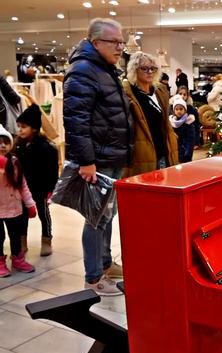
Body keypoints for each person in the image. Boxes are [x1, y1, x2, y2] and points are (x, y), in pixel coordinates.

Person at [64, 17, 132, 296]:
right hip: (98, 160)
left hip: (111, 156)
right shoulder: (83, 70)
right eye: (114, 42)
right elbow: (76, 121)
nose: (120, 48)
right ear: (95, 43)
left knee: (106, 215)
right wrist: (87, 161)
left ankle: (104, 263)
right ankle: (93, 277)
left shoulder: (104, 69)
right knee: (95, 218)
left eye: (122, 42)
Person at [122, 52, 178, 176]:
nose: (149, 72)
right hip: (141, 153)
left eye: (153, 68)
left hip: (163, 150)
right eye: (144, 68)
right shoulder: (128, 94)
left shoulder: (160, 91)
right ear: (135, 70)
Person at [14, 104, 59, 256]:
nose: (20, 130)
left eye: (24, 126)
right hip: (22, 189)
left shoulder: (46, 148)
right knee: (22, 216)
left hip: (40, 188)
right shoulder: (17, 146)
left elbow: (52, 171)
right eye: (19, 126)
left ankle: (46, 240)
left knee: (43, 214)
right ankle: (22, 241)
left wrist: (50, 189)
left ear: (34, 128)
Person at [0, 125, 36, 277]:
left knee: (16, 235)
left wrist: (30, 203)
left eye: (6, 142)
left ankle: (17, 259)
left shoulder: (14, 161)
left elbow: (22, 184)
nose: (2, 146)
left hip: (14, 208)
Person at [169, 96, 197, 163]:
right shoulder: (172, 122)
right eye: (177, 109)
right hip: (174, 152)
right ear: (174, 110)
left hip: (185, 154)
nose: (179, 111)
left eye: (181, 109)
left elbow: (191, 141)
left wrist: (188, 154)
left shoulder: (188, 123)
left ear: (185, 110)